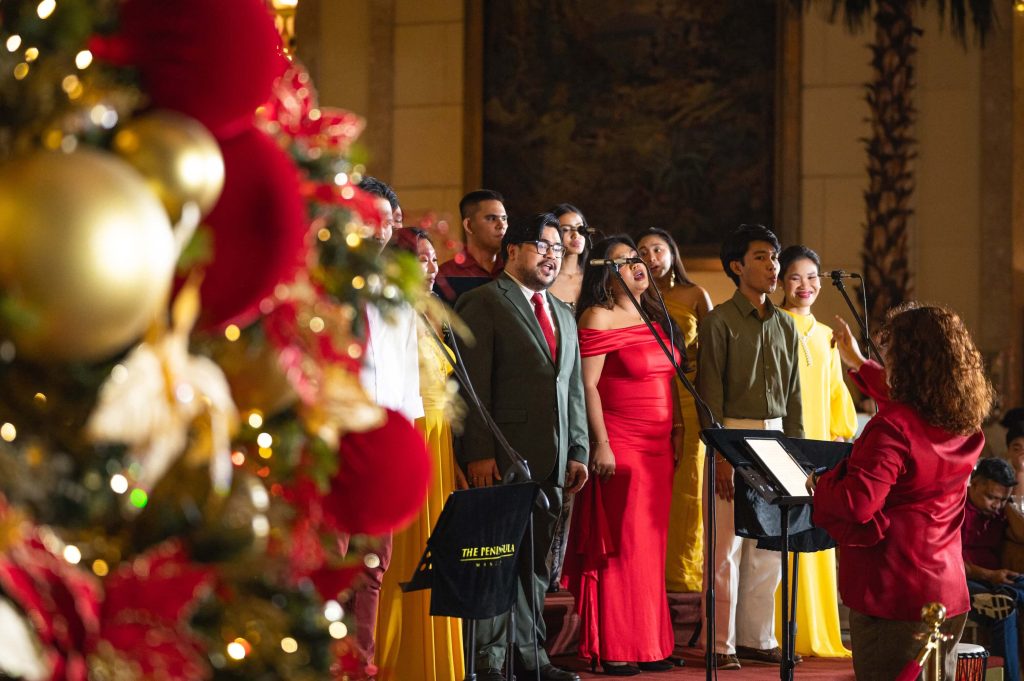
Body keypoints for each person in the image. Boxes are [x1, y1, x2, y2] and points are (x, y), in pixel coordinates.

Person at [811, 305, 994, 681]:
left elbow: (858, 504)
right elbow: (911, 404)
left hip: (895, 592)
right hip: (946, 590)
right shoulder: (962, 422)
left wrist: (821, 484)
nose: (886, 358)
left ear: (907, 362)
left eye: (890, 351)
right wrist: (858, 362)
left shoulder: (892, 426)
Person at [454, 212, 589, 681]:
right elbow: (472, 388)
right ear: (512, 250)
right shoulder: (484, 301)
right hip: (502, 457)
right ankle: (489, 659)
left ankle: (531, 656)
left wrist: (578, 449)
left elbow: (572, 390)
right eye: (542, 246)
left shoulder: (564, 313)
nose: (552, 256)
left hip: (553, 460)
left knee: (535, 563)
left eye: (558, 249)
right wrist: (478, 452)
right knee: (494, 557)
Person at [561, 235, 683, 676]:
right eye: (623, 261)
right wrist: (601, 443)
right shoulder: (598, 315)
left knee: (651, 548)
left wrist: (679, 428)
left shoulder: (654, 314)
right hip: (621, 441)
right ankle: (616, 644)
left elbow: (668, 378)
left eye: (637, 258)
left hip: (659, 447)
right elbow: (586, 386)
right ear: (604, 275)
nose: (636, 265)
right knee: (623, 546)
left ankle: (651, 644)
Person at [697, 224, 803, 670]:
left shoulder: (786, 325)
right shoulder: (718, 321)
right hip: (732, 437)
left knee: (769, 546)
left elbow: (794, 398)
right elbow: (709, 398)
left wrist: (799, 460)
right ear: (737, 266)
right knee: (726, 548)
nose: (773, 266)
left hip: (776, 439)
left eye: (775, 257)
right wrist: (722, 455)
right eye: (761, 257)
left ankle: (758, 638)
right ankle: (720, 643)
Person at [374, 228, 464, 681]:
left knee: (436, 556)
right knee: (404, 559)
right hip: (412, 436)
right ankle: (394, 661)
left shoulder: (429, 313)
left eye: (433, 259)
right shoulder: (388, 313)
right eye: (422, 258)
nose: (432, 267)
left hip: (440, 442)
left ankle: (430, 665)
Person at [346, 177, 423, 679]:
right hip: (334, 439)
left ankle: (361, 664)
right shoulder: (325, 277)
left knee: (372, 566)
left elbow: (405, 371)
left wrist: (404, 443)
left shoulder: (398, 288)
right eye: (368, 215)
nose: (379, 228)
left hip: (384, 441)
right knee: (329, 563)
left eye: (387, 219)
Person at [773, 245, 857, 658]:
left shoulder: (826, 335)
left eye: (812, 277)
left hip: (820, 446)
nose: (805, 285)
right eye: (795, 277)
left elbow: (836, 389)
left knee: (815, 533)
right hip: (783, 443)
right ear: (780, 281)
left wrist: (840, 436)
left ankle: (817, 633)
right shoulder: (772, 325)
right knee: (783, 534)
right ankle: (778, 632)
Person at [637, 227, 713, 595]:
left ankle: (681, 575)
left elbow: (712, 353)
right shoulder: (635, 295)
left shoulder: (695, 294)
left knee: (688, 486)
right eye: (643, 251)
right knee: (650, 485)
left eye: (658, 249)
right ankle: (646, 569)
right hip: (648, 396)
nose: (651, 257)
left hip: (688, 394)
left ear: (672, 253)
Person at [962, 457, 1024, 681]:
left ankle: (1010, 594)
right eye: (991, 497)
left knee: (1006, 598)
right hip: (961, 581)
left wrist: (1008, 504)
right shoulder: (956, 510)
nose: (996, 505)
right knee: (1003, 611)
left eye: (1002, 499)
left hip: (996, 583)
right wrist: (990, 575)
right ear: (975, 484)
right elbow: (950, 564)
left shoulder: (998, 513)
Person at [435, 189, 508, 303]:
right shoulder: (445, 274)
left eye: (504, 218)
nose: (502, 225)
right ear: (469, 225)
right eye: (491, 218)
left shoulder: (513, 270)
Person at [547, 203, 590, 310]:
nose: (576, 235)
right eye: (565, 229)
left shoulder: (594, 275)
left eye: (580, 228)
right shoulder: (544, 278)